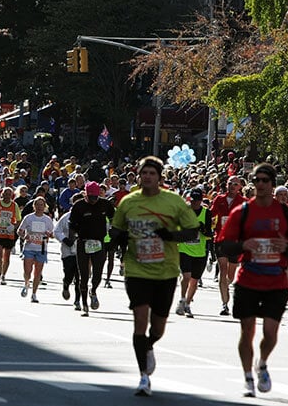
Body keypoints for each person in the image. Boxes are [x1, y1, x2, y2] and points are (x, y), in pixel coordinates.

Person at [110, 156, 200, 396]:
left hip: (166, 270)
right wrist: (116, 239)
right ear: (138, 176)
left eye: (152, 173)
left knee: (158, 326)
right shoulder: (129, 202)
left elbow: (192, 231)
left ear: (159, 177)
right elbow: (116, 229)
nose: (147, 177)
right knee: (140, 318)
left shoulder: (173, 202)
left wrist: (170, 235)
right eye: (144, 173)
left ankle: (149, 345)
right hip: (137, 268)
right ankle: (143, 377)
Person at [218, 163, 288, 397]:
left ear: (272, 184)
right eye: (257, 180)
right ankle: (248, 378)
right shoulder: (243, 212)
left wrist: (287, 247)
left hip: (275, 281)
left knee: (270, 333)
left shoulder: (286, 214)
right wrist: (243, 245)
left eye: (265, 180)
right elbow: (223, 243)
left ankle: (262, 363)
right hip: (248, 278)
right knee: (247, 330)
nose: (260, 184)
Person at [69, 181, 115, 316]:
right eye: (91, 198)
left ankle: (93, 290)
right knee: (83, 275)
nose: (94, 201)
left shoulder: (105, 204)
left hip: (99, 242)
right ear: (86, 195)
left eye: (96, 197)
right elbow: (71, 224)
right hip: (83, 242)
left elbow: (114, 217)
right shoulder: (79, 206)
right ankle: (84, 304)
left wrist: (113, 230)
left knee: (98, 272)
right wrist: (73, 236)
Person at [211, 175, 247, 315]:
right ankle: (224, 304)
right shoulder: (219, 199)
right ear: (226, 185)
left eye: (235, 184)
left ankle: (226, 286)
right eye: (230, 183)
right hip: (220, 239)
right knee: (223, 270)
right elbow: (211, 214)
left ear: (240, 187)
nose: (232, 185)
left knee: (230, 275)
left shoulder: (244, 202)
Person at [175, 188, 213, 318]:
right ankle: (182, 299)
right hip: (184, 249)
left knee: (194, 280)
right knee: (186, 276)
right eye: (193, 200)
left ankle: (188, 304)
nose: (195, 203)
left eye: (197, 200)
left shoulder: (206, 213)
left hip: (200, 251)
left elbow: (209, 233)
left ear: (201, 200)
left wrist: (202, 228)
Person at [17, 196, 54, 303]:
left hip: (42, 248)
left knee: (38, 272)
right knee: (27, 271)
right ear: (34, 206)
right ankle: (26, 283)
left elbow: (53, 234)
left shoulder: (47, 220)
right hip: (29, 247)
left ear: (45, 206)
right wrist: (24, 236)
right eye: (37, 205)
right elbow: (20, 231)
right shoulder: (29, 218)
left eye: (41, 205)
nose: (39, 207)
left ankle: (34, 294)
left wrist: (49, 235)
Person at [54, 192, 83, 311]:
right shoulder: (66, 217)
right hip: (67, 251)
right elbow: (56, 231)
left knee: (80, 277)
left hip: (82, 251)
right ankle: (66, 284)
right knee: (69, 274)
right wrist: (65, 239)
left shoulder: (87, 216)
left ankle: (77, 300)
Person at [0, 187, 21, 285]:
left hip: (8, 234)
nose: (7, 196)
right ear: (2, 194)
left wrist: (14, 227)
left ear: (12, 195)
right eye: (5, 194)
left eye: (9, 194)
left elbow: (19, 220)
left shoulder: (14, 205)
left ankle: (3, 276)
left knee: (7, 256)